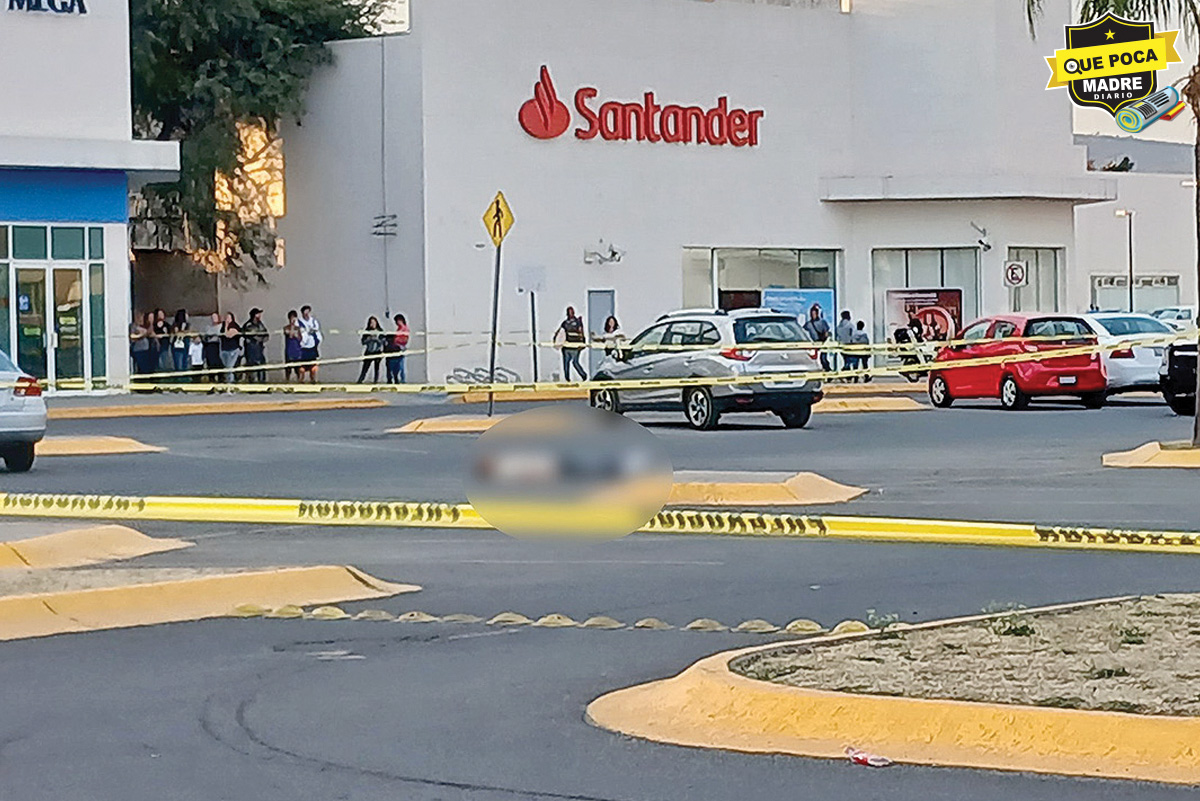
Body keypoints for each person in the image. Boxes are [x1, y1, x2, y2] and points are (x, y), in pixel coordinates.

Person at [555, 306, 587, 380]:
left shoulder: (578, 322)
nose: (570, 314)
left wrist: (583, 343)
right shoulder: (565, 323)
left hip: (575, 346)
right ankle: (567, 378)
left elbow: (581, 332)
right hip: (566, 346)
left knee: (575, 362)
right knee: (566, 363)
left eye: (571, 312)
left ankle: (583, 375)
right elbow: (560, 333)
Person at [241, 308, 269, 383]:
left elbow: (265, 334)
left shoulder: (260, 324)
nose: (259, 315)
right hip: (251, 349)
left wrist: (263, 338)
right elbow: (251, 335)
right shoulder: (248, 324)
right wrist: (259, 338)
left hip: (259, 348)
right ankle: (252, 384)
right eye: (258, 314)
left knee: (262, 366)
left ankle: (262, 383)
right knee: (252, 367)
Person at [802, 303, 832, 372]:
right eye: (812, 314)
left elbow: (826, 333)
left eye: (814, 313)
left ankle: (828, 371)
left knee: (823, 359)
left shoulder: (822, 322)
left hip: (822, 344)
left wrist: (824, 341)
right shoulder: (808, 324)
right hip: (813, 345)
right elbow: (803, 331)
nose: (813, 315)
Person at [297, 304, 321, 383]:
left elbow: (316, 330)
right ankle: (301, 380)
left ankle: (313, 380)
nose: (307, 314)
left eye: (308, 312)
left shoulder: (313, 321)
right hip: (303, 346)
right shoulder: (299, 322)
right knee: (302, 366)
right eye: (305, 312)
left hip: (312, 345)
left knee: (313, 366)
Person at [357, 316, 386, 384]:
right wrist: (369, 339)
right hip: (369, 351)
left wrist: (376, 339)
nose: (372, 324)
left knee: (376, 368)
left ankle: (375, 382)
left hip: (377, 351)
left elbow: (383, 342)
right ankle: (360, 381)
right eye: (371, 323)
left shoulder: (380, 331)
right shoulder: (367, 332)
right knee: (365, 368)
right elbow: (363, 342)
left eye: (373, 322)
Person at [386, 313, 410, 384]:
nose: (397, 323)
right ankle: (396, 378)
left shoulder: (405, 329)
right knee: (395, 365)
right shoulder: (398, 329)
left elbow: (404, 339)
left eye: (397, 321)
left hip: (400, 347)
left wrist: (396, 341)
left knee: (401, 365)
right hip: (395, 347)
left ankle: (403, 380)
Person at [219, 312, 242, 383]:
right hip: (224, 349)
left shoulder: (235, 326)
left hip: (233, 350)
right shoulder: (222, 327)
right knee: (226, 368)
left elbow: (228, 335)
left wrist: (226, 326)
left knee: (230, 367)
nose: (227, 319)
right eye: (226, 318)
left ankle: (231, 383)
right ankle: (227, 382)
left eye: (229, 318)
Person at [170, 309, 191, 382]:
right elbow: (177, 333)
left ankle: (184, 380)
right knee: (179, 364)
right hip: (178, 345)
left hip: (185, 344)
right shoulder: (176, 325)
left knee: (184, 362)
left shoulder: (187, 324)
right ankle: (178, 380)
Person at [203, 313, 223, 383]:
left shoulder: (220, 326)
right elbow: (205, 336)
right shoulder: (208, 327)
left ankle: (221, 381)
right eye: (212, 317)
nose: (214, 319)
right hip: (209, 346)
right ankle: (212, 381)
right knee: (210, 364)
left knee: (218, 363)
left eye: (215, 317)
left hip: (217, 346)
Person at [283, 310, 302, 382]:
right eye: (291, 318)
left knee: (298, 369)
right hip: (289, 350)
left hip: (296, 350)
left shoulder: (298, 328)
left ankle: (299, 381)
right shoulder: (286, 328)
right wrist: (292, 327)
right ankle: (287, 381)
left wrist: (296, 333)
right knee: (288, 369)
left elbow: (300, 338)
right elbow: (290, 335)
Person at [834, 310, 855, 376]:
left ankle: (847, 373)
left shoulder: (838, 327)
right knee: (850, 361)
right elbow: (853, 336)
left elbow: (837, 337)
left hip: (841, 346)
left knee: (846, 360)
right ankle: (846, 371)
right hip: (849, 345)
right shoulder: (850, 326)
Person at [152, 309, 171, 373]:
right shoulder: (154, 325)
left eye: (162, 314)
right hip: (156, 344)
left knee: (164, 356)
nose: (160, 316)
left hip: (164, 343)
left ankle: (165, 370)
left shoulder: (166, 325)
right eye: (159, 314)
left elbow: (169, 333)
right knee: (156, 357)